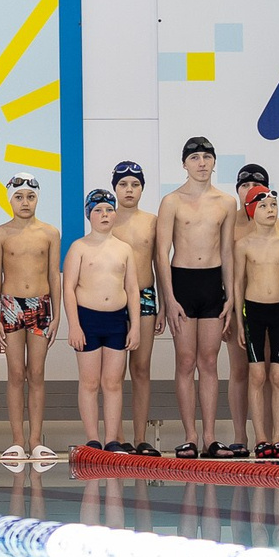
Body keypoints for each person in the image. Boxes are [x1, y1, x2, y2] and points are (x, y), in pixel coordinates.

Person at [154, 139, 237, 459]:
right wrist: (169, 298)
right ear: (184, 164)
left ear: (214, 162)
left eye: (207, 157)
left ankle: (211, 438)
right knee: (186, 361)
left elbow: (228, 252)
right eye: (195, 157)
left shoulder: (226, 202)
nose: (201, 162)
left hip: (213, 283)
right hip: (183, 282)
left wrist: (231, 296)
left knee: (211, 362)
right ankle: (190, 436)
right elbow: (161, 254)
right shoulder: (172, 201)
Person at [0, 172, 63, 462]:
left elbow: (54, 276)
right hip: (11, 305)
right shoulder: (0, 234)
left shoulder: (50, 233)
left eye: (30, 197)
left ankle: (35, 440)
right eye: (19, 197)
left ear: (37, 199)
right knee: (16, 373)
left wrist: (57, 315)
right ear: (10, 200)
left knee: (38, 373)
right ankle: (18, 440)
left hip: (41, 305)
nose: (25, 202)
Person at [66, 188, 142, 450]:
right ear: (89, 215)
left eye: (109, 209)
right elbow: (68, 288)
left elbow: (132, 289)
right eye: (98, 210)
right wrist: (74, 325)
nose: (104, 214)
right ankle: (93, 439)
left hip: (116, 322)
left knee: (112, 382)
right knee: (89, 382)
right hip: (88, 319)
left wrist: (135, 327)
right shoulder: (79, 247)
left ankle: (112, 439)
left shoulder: (124, 249)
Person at [230, 181, 279, 460]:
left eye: (273, 205)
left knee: (278, 375)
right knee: (257, 375)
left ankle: (278, 439)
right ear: (251, 211)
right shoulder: (243, 245)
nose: (270, 210)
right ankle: (261, 439)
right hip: (253, 313)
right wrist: (238, 320)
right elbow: (237, 284)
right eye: (263, 206)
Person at [107, 160, 161, 455]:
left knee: (141, 368)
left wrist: (164, 304)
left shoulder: (152, 221)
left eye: (135, 184)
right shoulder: (104, 219)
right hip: (111, 300)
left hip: (145, 296)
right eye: (123, 184)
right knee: (113, 375)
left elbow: (159, 263)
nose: (129, 189)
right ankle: (117, 437)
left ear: (142, 188)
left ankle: (140, 438)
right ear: (115, 187)